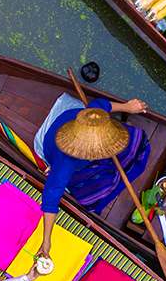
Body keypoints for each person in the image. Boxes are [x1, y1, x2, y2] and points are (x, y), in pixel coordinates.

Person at [37, 101, 149, 258]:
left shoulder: (92, 117)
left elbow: (101, 104)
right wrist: (46, 240)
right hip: (59, 148)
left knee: (136, 142)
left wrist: (127, 107)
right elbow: (50, 198)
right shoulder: (66, 164)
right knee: (93, 195)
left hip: (71, 122)